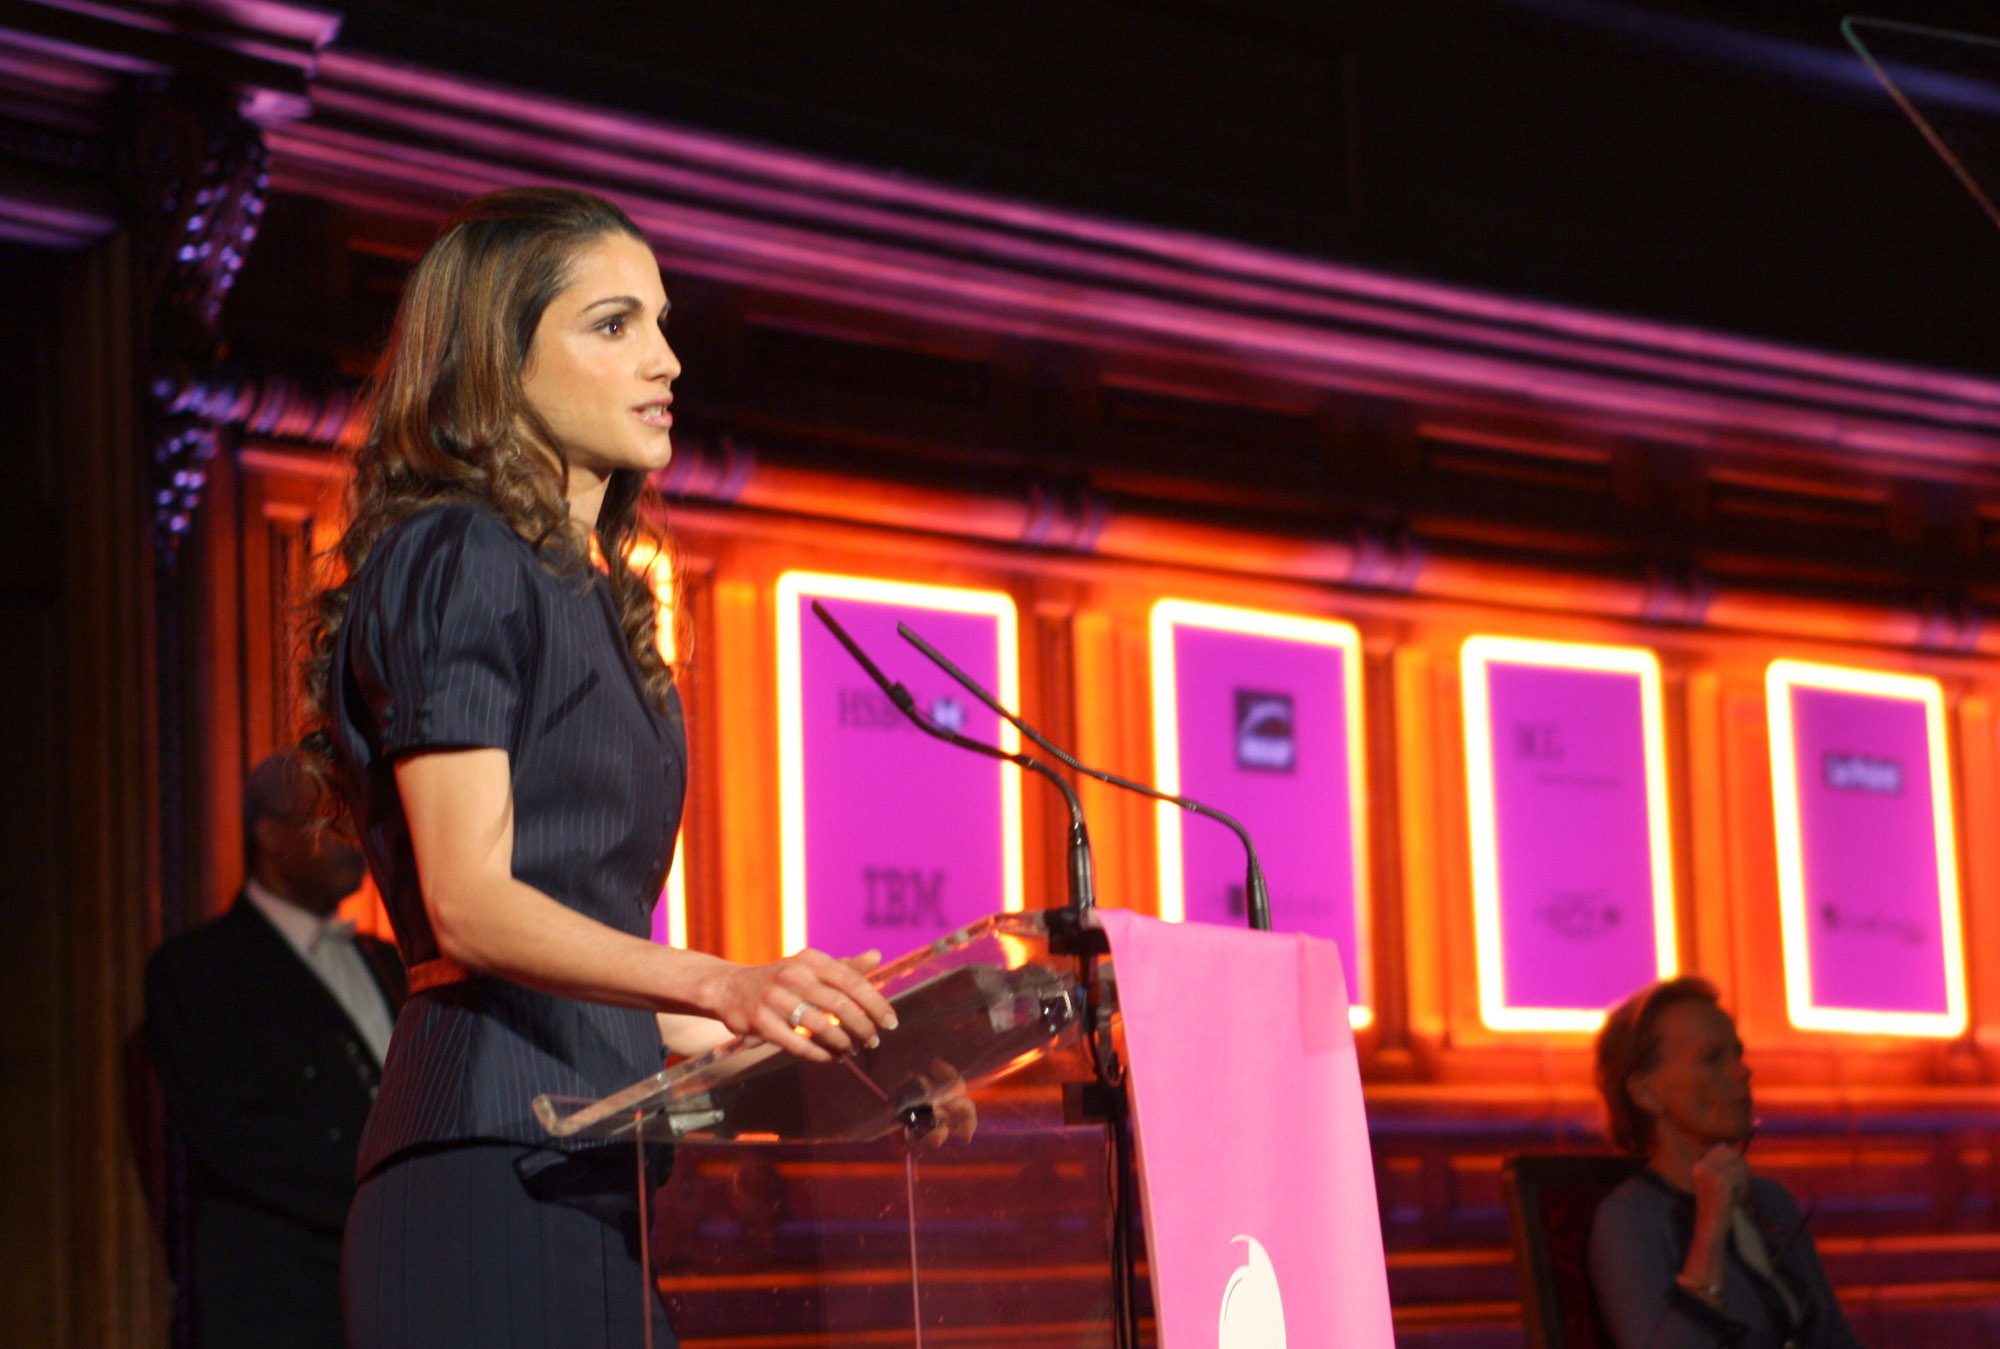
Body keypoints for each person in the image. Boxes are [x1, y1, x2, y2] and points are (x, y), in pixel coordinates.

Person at [299, 186, 897, 1349]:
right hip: (488, 1166)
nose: (665, 359)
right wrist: (724, 980)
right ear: (499, 359)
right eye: (613, 324)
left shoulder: (599, 597)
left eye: (661, 323)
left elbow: (588, 946)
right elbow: (469, 904)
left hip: (592, 1169)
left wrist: (842, 1053)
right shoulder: (457, 549)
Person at [144, 751, 405, 1349]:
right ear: (268, 833)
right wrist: (389, 1191)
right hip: (287, 1303)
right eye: (330, 821)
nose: (354, 838)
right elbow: (236, 1136)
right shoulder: (197, 969)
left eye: (355, 818)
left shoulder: (387, 960)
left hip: (398, 1285)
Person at [1589, 977, 1864, 1349]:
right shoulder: (1629, 1218)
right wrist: (1710, 1230)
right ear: (1645, 1093)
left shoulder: (1771, 1201)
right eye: (1712, 1058)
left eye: (1738, 1054)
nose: (1742, 1072)